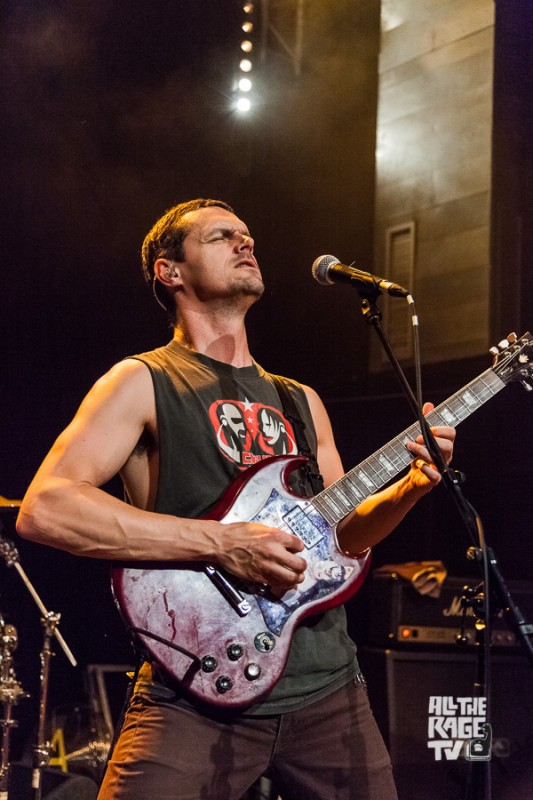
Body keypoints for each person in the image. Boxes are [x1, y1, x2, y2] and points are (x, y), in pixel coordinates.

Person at [17, 198, 455, 800]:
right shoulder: (144, 380)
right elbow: (47, 508)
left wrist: (411, 486)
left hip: (327, 686)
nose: (246, 243)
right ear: (170, 272)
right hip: (192, 686)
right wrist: (223, 543)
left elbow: (343, 537)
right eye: (223, 237)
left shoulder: (300, 399)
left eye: (248, 235)